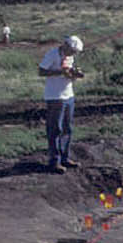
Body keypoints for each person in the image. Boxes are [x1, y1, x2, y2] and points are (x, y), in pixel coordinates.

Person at [38, 35, 85, 172]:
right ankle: (54, 161)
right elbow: (41, 71)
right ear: (66, 46)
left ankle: (65, 157)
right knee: (55, 129)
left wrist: (74, 75)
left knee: (67, 128)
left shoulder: (70, 57)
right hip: (55, 96)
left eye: (75, 52)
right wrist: (60, 72)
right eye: (72, 51)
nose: (73, 54)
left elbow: (68, 74)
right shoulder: (52, 54)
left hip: (68, 94)